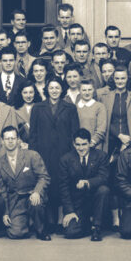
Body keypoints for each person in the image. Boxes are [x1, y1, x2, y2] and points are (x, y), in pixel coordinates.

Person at [28, 76, 79, 220]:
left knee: (62, 185)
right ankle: (48, 220)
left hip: (64, 153)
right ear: (46, 89)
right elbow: (33, 135)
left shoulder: (70, 108)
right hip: (43, 154)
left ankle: (62, 219)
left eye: (57, 88)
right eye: (51, 88)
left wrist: (72, 155)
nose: (54, 90)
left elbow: (74, 133)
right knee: (46, 184)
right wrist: (34, 155)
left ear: (62, 89)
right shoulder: (37, 108)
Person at [0, 125, 51, 240]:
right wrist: (6, 212)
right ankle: (25, 223)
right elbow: (2, 190)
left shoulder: (32, 155)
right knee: (15, 233)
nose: (10, 141)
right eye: (7, 139)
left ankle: (41, 230)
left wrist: (37, 192)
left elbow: (44, 177)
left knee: (36, 204)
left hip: (32, 195)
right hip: (16, 200)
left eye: (13, 138)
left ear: (18, 140)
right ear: (2, 141)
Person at [58, 128, 110, 241]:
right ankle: (86, 224)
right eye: (78, 144)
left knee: (104, 190)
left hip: (96, 201)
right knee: (71, 233)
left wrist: (87, 182)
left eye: (84, 144)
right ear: (73, 144)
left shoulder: (101, 156)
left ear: (90, 143)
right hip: (77, 204)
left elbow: (104, 178)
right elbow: (63, 188)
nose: (81, 148)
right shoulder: (65, 159)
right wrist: (70, 211)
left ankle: (97, 227)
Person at [100, 66, 131, 160]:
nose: (120, 81)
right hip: (112, 139)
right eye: (117, 78)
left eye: (123, 78)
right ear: (113, 79)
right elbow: (105, 121)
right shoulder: (105, 97)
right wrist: (120, 136)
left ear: (128, 79)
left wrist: (127, 139)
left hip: (130, 139)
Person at [75, 79, 107, 153]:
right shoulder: (75, 108)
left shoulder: (100, 106)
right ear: (79, 91)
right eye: (84, 90)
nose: (87, 93)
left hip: (94, 146)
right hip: (78, 147)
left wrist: (90, 143)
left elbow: (101, 130)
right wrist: (80, 145)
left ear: (93, 90)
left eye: (89, 90)